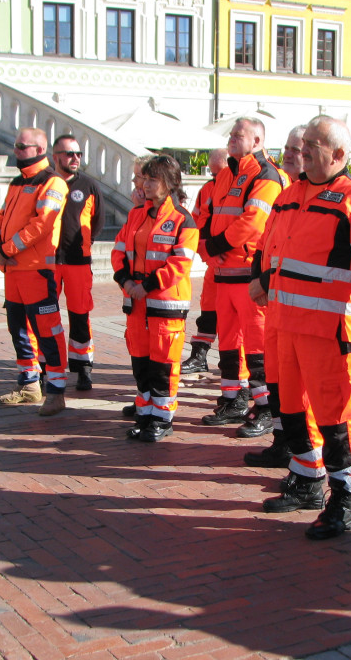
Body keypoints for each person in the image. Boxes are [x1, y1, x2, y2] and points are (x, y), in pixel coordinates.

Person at [260, 117, 351, 539]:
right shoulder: (290, 194)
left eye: (314, 144)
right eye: (303, 143)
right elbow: (270, 249)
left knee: (335, 417)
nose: (304, 150)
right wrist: (262, 280)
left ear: (339, 154)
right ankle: (307, 479)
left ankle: (345, 499)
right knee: (289, 408)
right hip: (282, 325)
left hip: (327, 330)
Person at [198, 118, 285, 429]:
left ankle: (264, 409)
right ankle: (233, 401)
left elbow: (252, 221)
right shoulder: (226, 173)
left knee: (257, 347)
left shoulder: (266, 174)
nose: (232, 138)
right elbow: (208, 215)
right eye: (231, 134)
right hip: (223, 273)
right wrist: (207, 247)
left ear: (257, 140)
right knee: (229, 344)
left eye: (239, 135)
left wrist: (215, 245)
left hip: (247, 276)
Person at [111, 155, 199, 443]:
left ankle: (162, 418)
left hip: (165, 306)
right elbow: (119, 250)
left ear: (170, 183)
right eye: (144, 179)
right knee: (141, 362)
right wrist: (125, 280)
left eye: (152, 179)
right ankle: (146, 413)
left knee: (163, 365)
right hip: (136, 304)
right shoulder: (137, 214)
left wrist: (146, 286)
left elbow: (179, 265)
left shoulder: (183, 221)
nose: (144, 185)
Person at [0, 128, 69, 416]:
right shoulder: (16, 183)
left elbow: (42, 225)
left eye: (21, 147)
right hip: (13, 272)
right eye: (15, 145)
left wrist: (7, 249)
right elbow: (0, 217)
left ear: (39, 149)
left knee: (48, 331)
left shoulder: (52, 182)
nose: (15, 151)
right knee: (19, 330)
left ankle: (57, 391)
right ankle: (29, 385)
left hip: (36, 271)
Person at [245, 125, 308, 468]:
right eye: (286, 147)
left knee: (301, 392)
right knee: (277, 382)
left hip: (302, 313)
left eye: (296, 149)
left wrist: (265, 282)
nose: (288, 153)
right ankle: (282, 441)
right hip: (276, 308)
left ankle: (303, 458)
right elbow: (265, 244)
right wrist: (258, 277)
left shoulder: (329, 197)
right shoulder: (286, 194)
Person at [50, 134, 105, 392]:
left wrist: (84, 242)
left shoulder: (89, 185)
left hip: (77, 262)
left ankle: (83, 368)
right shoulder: (46, 184)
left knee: (80, 315)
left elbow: (98, 221)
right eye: (69, 153)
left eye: (78, 154)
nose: (75, 158)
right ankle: (46, 367)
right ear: (55, 156)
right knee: (45, 316)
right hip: (48, 261)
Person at [181, 147, 228, 375]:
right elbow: (196, 223)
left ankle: (236, 365)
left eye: (221, 172)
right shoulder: (207, 189)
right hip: (213, 262)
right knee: (208, 310)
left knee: (233, 318)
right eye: (214, 173)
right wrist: (207, 252)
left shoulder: (240, 188)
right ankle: (199, 354)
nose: (217, 177)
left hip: (237, 263)